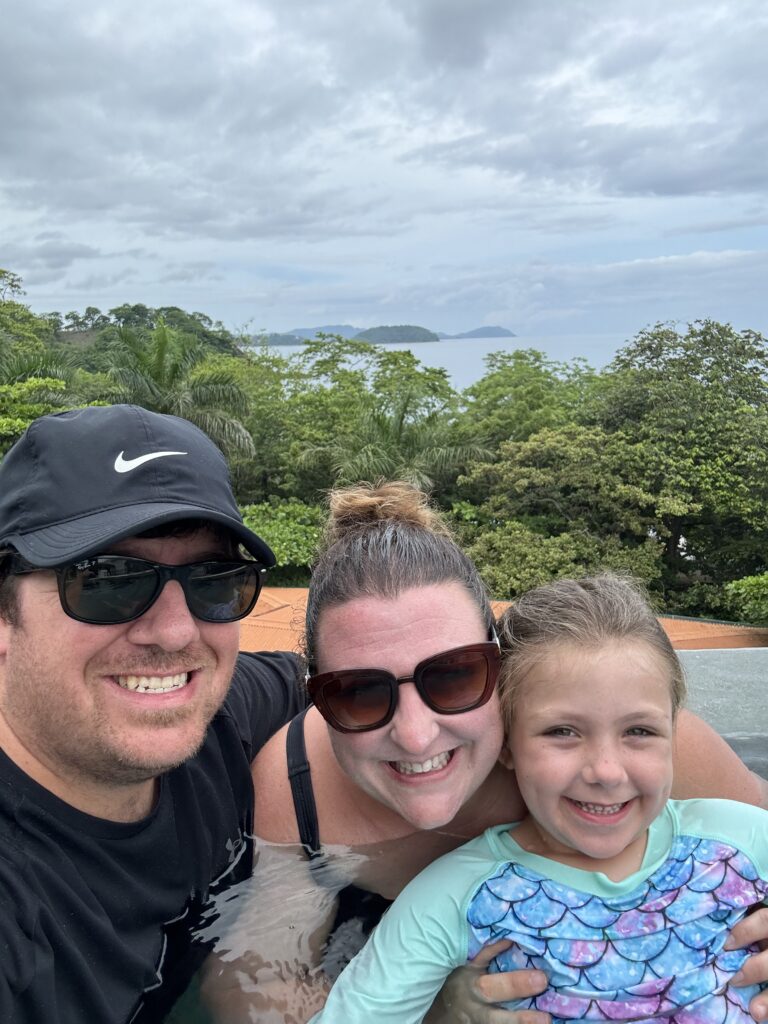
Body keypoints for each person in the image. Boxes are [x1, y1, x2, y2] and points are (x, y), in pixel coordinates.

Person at [247, 484, 768, 1024]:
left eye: (452, 676)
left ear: (500, 670)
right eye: (358, 691)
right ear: (314, 690)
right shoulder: (296, 791)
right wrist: (439, 1012)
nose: (416, 736)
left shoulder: (671, 761)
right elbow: (257, 994)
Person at [0, 404, 307, 1024]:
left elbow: (321, 678)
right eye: (109, 578)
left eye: (214, 579)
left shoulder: (220, 718)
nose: (174, 632)